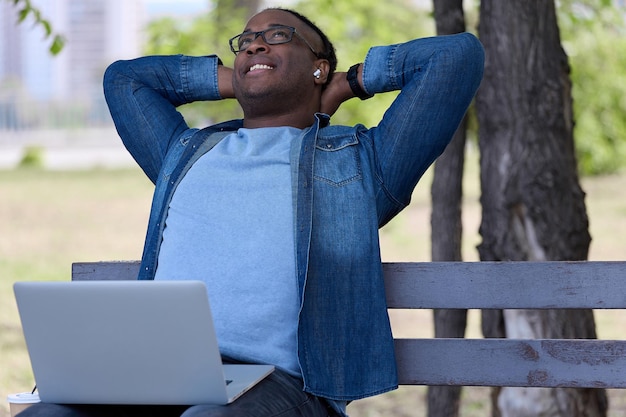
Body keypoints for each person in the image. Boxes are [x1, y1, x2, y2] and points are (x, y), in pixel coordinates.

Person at [19, 7, 484, 417]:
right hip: (157, 372)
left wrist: (349, 82)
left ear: (318, 67)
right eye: (245, 42)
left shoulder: (361, 163)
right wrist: (244, 76)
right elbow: (124, 79)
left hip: (281, 387)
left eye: (279, 35)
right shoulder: (182, 154)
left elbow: (455, 58)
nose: (256, 43)